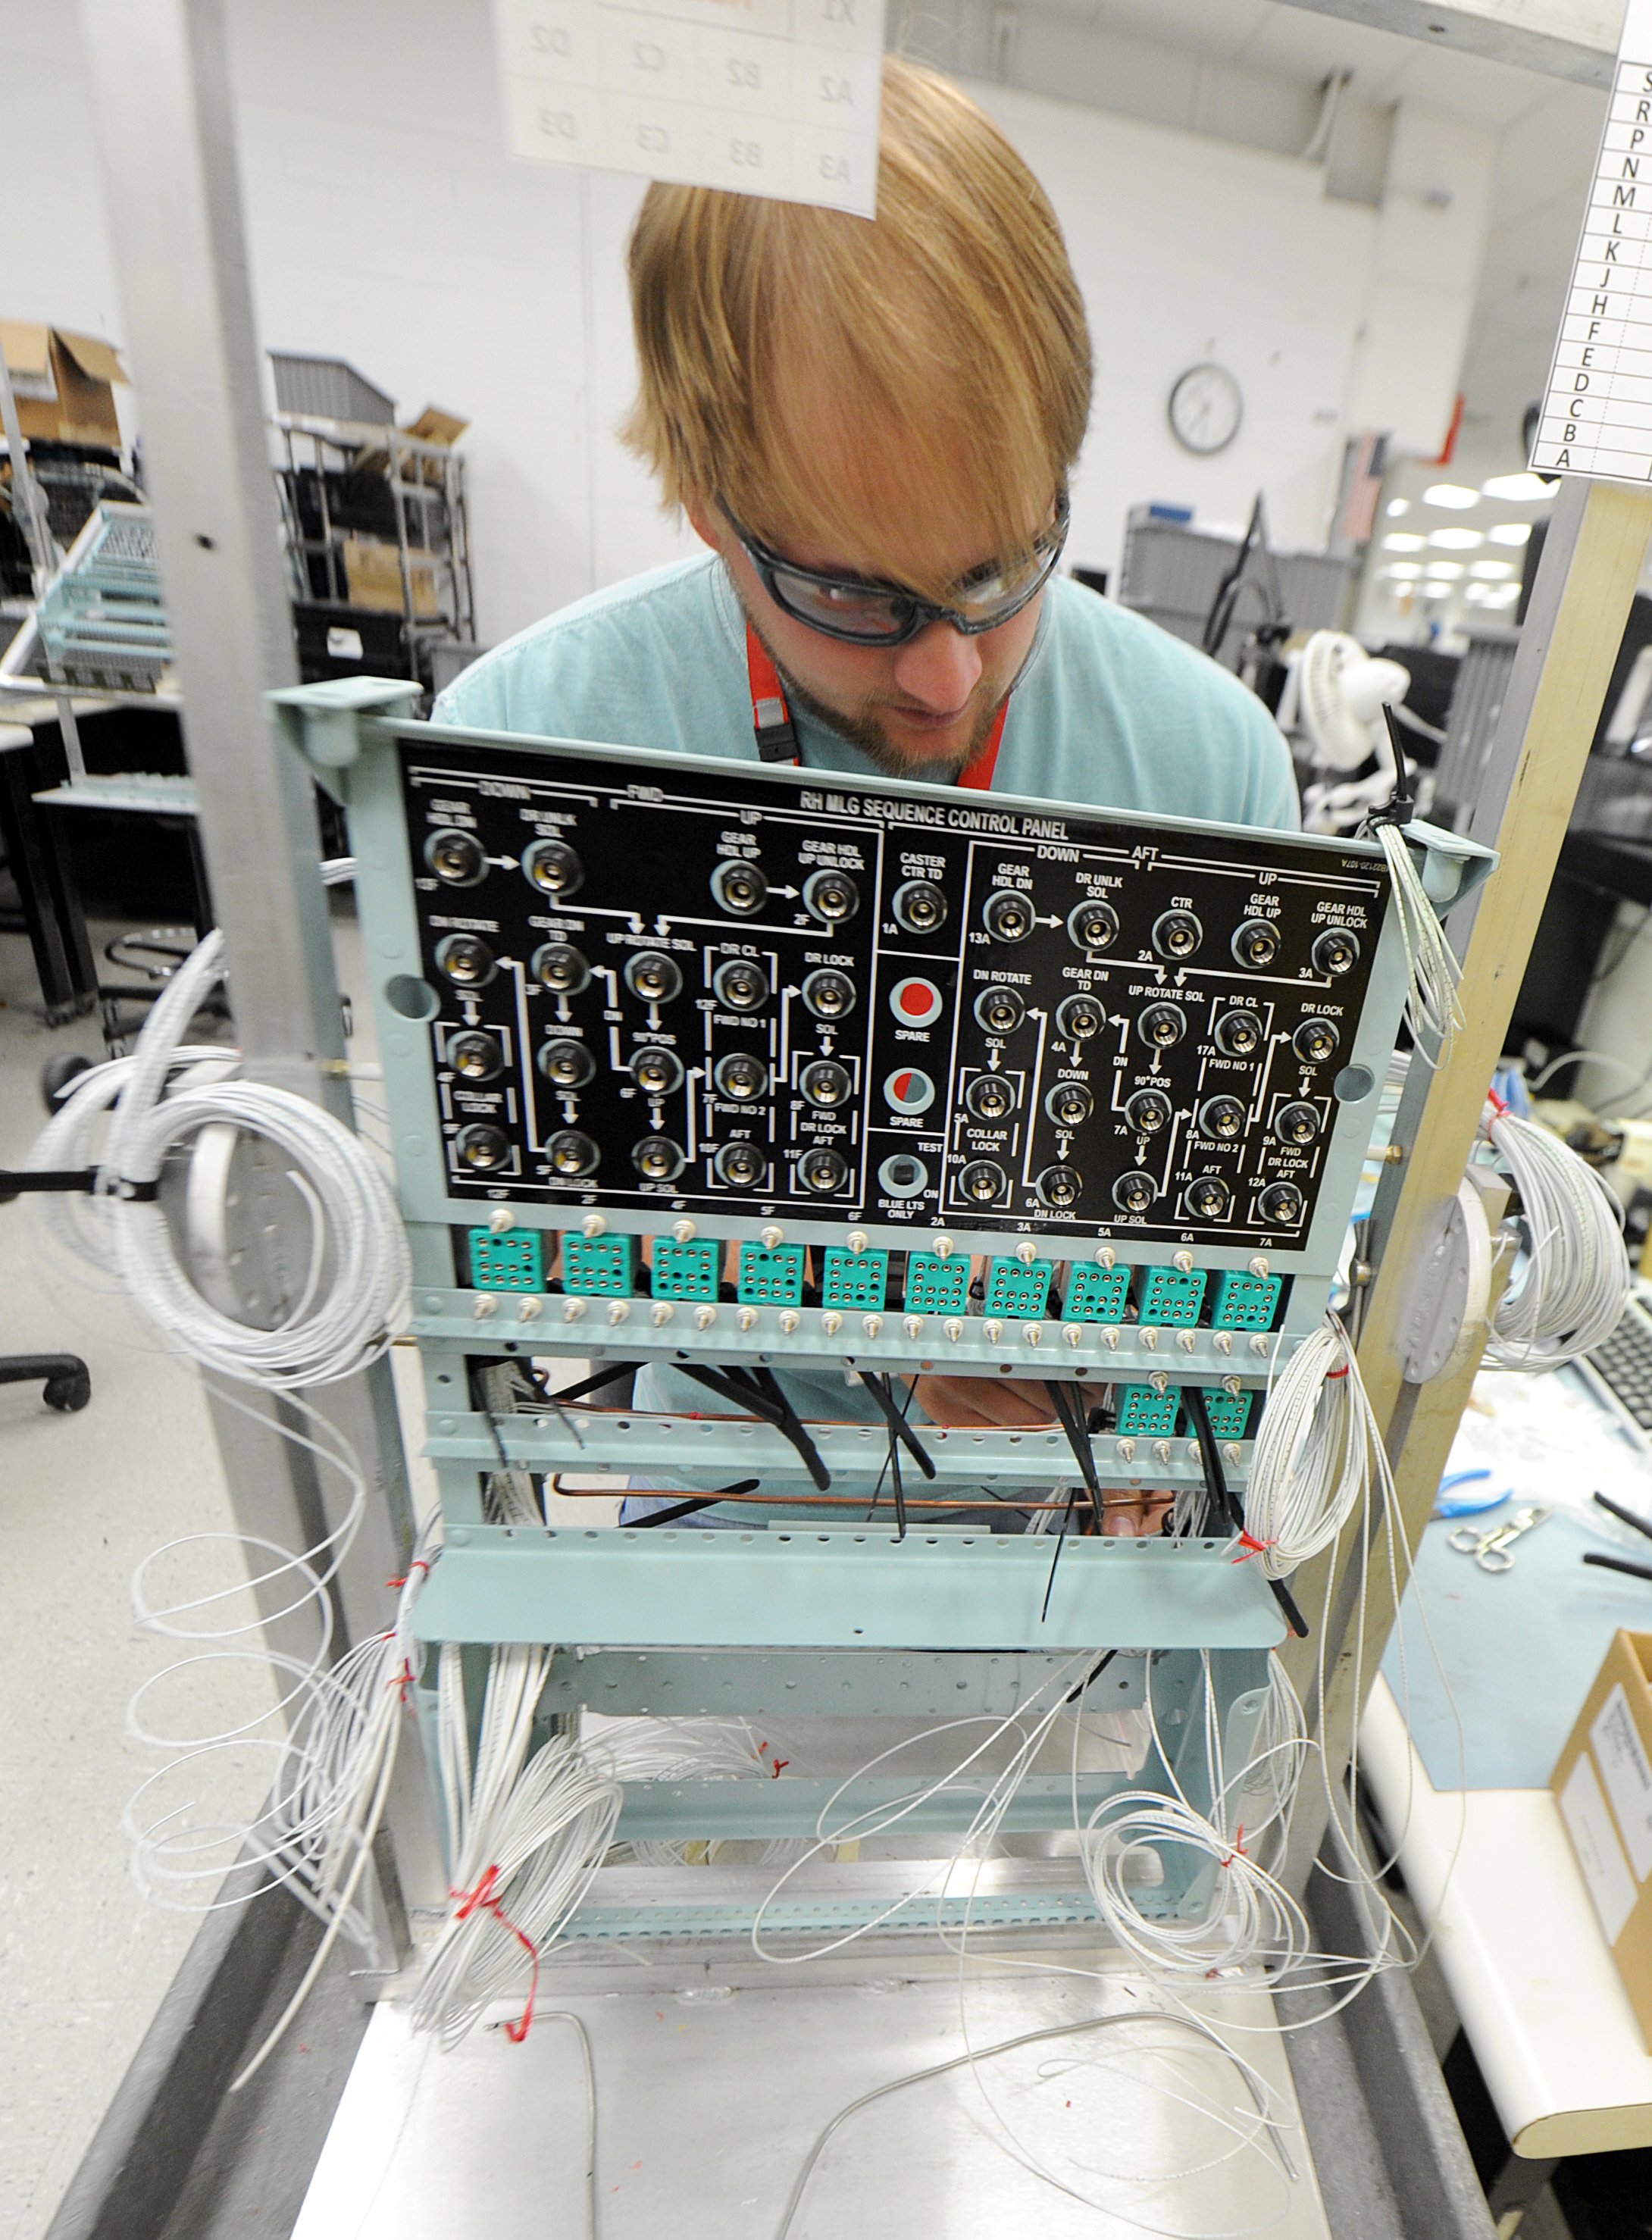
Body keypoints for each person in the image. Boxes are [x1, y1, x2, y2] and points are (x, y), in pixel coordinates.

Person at [435, 58, 1300, 1533]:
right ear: (707, 502)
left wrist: (1107, 1363)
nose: (951, 678)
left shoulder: (1211, 766)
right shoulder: (534, 741)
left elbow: (1231, 1242)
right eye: (856, 592)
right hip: (728, 1486)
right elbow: (510, 1230)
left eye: (998, 568)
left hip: (1061, 1523)